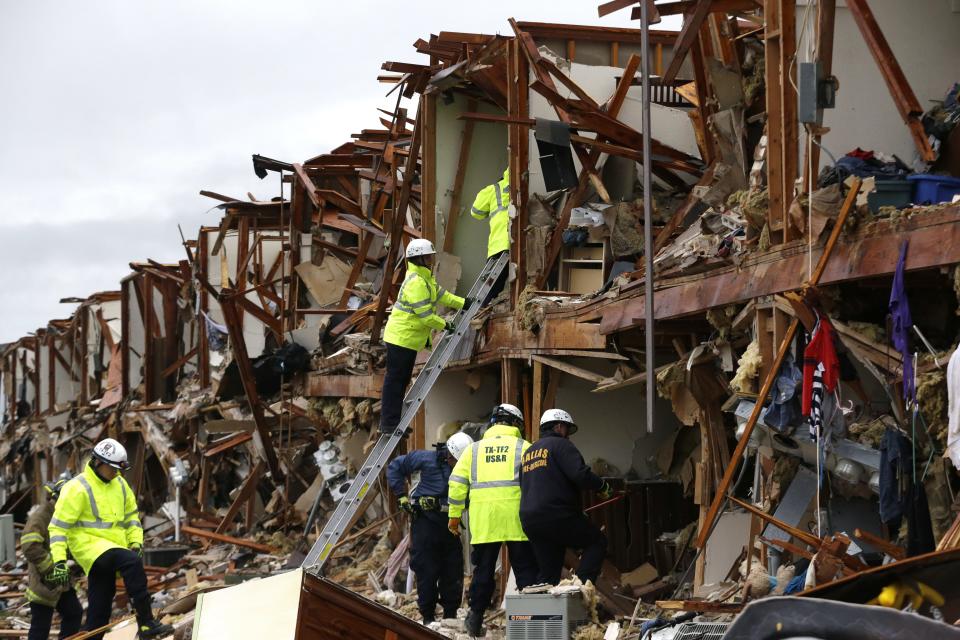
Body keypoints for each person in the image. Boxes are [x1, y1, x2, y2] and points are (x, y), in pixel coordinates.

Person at [48, 439, 173, 639]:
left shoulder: (120, 484)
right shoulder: (77, 488)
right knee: (132, 562)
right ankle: (146, 623)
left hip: (112, 548)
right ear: (99, 463)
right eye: (114, 468)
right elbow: (58, 527)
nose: (117, 473)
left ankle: (92, 636)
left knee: (100, 607)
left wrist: (135, 542)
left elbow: (131, 517)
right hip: (89, 548)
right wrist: (59, 561)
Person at [448, 404, 538, 637]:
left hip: (485, 522)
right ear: (516, 424)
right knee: (526, 572)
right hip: (516, 520)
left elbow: (457, 484)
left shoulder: (473, 450)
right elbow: (537, 485)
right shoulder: (525, 448)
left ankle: (475, 619)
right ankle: (529, 625)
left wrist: (454, 517)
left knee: (483, 572)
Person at [380, 239, 466, 434]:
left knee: (400, 381)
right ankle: (388, 424)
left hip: (406, 339)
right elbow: (426, 316)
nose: (432, 260)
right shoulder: (417, 283)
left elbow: (442, 295)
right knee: (395, 381)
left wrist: (464, 303)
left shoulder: (424, 278)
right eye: (428, 257)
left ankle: (392, 422)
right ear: (418, 259)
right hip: (401, 338)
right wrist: (446, 324)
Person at [387, 432, 474, 624]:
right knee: (426, 571)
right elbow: (395, 467)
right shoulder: (425, 458)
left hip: (450, 526)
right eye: (456, 462)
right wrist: (401, 496)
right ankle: (428, 617)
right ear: (449, 455)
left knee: (452, 569)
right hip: (425, 525)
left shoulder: (465, 467)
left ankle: (450, 615)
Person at [519, 409, 612, 586]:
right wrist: (602, 486)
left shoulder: (529, 453)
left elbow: (525, 486)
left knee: (548, 574)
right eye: (568, 430)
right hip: (557, 516)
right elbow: (580, 474)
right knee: (597, 542)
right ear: (559, 427)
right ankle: (581, 589)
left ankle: (544, 612)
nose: (568, 435)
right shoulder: (562, 445)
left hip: (531, 521)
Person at [23, 478, 83, 640]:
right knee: (41, 626)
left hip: (62, 583)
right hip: (45, 582)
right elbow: (30, 546)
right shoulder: (40, 517)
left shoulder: (63, 515)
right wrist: (51, 568)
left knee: (74, 613)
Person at [470, 168, 511, 305]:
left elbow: (475, 211)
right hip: (516, 242)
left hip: (498, 244)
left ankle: (479, 311)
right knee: (501, 283)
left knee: (490, 288)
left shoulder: (493, 189)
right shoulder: (522, 187)